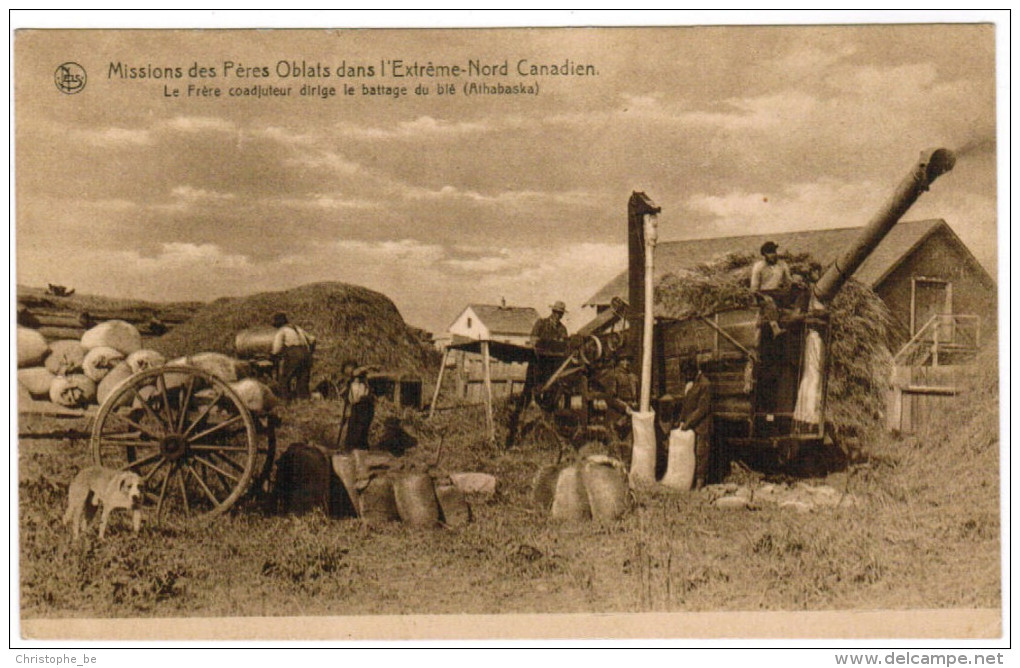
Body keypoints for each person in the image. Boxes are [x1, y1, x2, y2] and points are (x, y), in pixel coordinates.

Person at [677, 357, 713, 490]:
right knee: (690, 454)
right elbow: (686, 406)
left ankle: (699, 482)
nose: (686, 376)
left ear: (694, 370)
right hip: (692, 425)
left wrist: (687, 423)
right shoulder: (690, 384)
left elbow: (702, 409)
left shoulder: (705, 384)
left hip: (702, 426)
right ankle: (690, 481)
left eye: (687, 373)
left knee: (701, 454)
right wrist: (681, 420)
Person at [750, 241, 793, 337]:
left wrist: (790, 287)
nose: (773, 255)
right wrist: (763, 296)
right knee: (769, 302)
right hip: (762, 294)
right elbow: (754, 288)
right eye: (770, 252)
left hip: (777, 292)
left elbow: (788, 281)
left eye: (774, 252)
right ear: (764, 254)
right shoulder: (759, 266)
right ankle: (775, 328)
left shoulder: (782, 265)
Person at [270, 312, 316, 401]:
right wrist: (310, 351)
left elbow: (277, 348)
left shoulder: (282, 331)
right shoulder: (297, 328)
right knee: (303, 378)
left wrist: (273, 356)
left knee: (284, 378)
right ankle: (303, 399)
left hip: (294, 354)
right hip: (306, 354)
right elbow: (313, 339)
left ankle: (286, 400)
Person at [335, 360, 375, 452]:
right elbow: (350, 401)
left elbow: (367, 370)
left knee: (359, 432)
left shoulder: (362, 379)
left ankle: (358, 451)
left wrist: (356, 374)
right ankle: (352, 450)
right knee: (352, 432)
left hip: (364, 406)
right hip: (356, 407)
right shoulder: (351, 382)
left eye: (349, 371)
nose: (347, 373)